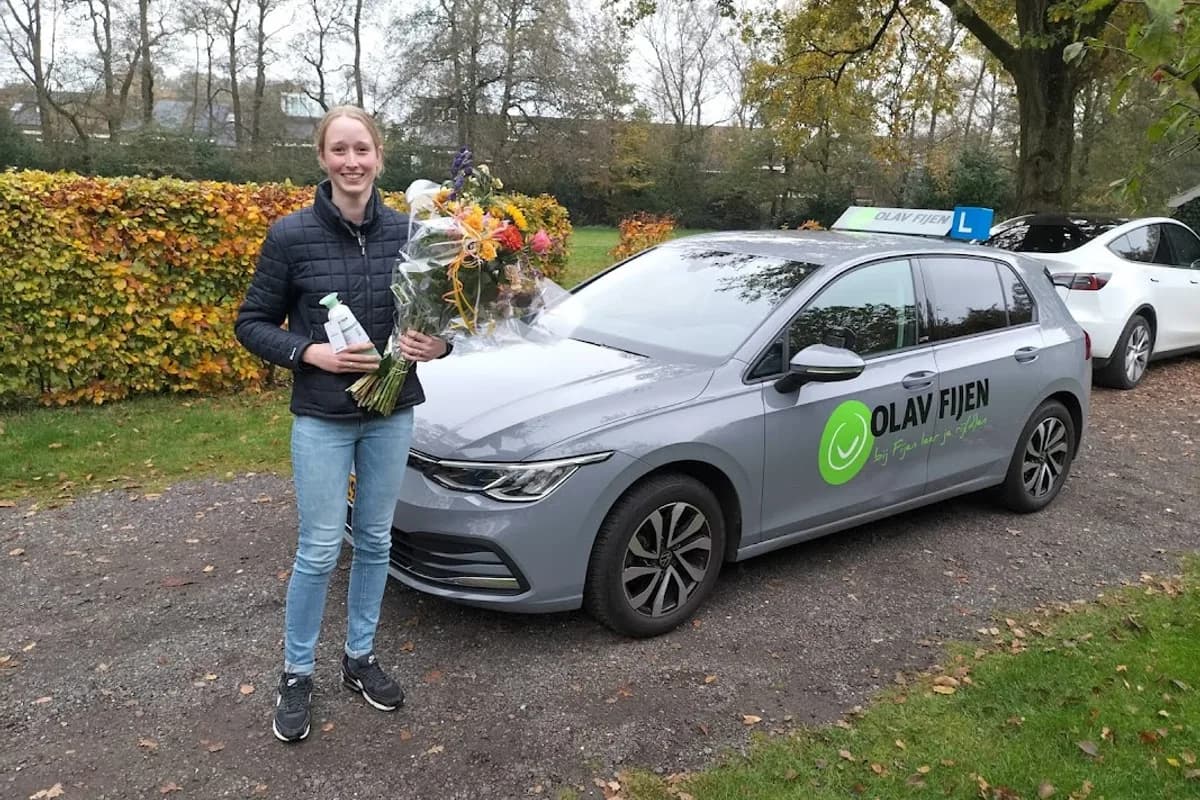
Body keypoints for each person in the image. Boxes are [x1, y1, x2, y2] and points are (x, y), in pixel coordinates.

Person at [235, 106, 450, 743]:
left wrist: (437, 347)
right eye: (339, 150)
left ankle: (359, 659)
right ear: (322, 158)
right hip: (324, 419)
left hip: (391, 413)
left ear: (379, 157)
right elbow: (250, 323)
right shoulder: (291, 235)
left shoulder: (415, 235)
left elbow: (440, 321)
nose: (351, 162)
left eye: (362, 149)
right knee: (321, 548)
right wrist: (310, 352)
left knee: (377, 542)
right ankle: (297, 672)